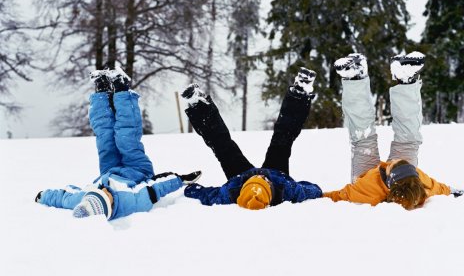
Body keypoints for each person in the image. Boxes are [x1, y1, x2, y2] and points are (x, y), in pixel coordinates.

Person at [35, 67, 201, 220]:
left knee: (104, 136)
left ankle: (102, 90)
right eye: (105, 195)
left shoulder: (85, 196)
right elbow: (157, 187)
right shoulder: (132, 202)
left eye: (98, 191)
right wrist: (180, 179)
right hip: (137, 168)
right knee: (125, 136)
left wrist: (43, 196)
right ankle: (122, 89)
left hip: (109, 169)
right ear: (110, 205)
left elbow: (64, 198)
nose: (104, 190)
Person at [323, 52, 464, 210]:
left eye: (392, 165)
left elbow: (334, 197)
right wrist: (453, 191)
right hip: (402, 179)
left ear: (389, 176)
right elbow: (440, 188)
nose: (390, 162)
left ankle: (355, 77)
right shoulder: (422, 184)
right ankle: (406, 79)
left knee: (363, 139)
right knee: (408, 140)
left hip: (367, 179)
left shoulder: (365, 191)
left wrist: (311, 195)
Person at [181, 68, 323, 210]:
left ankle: (197, 104)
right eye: (263, 180)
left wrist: (192, 189)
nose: (260, 176)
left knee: (223, 148)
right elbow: (311, 190)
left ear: (241, 191)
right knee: (282, 141)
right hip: (276, 174)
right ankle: (300, 92)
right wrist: (315, 190)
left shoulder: (231, 192)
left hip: (241, 176)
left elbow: (209, 195)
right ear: (270, 189)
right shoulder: (286, 188)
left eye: (257, 179)